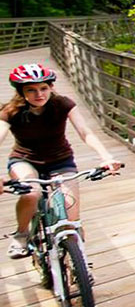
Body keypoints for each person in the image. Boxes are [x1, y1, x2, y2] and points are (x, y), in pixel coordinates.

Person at [0, 63, 121, 259]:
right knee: (32, 193)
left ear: (51, 88)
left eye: (44, 88)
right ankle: (22, 234)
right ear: (21, 92)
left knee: (72, 219)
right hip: (25, 160)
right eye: (31, 90)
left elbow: (85, 132)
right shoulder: (10, 111)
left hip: (60, 161)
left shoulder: (63, 104)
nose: (39, 94)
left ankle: (80, 262)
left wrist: (105, 156)